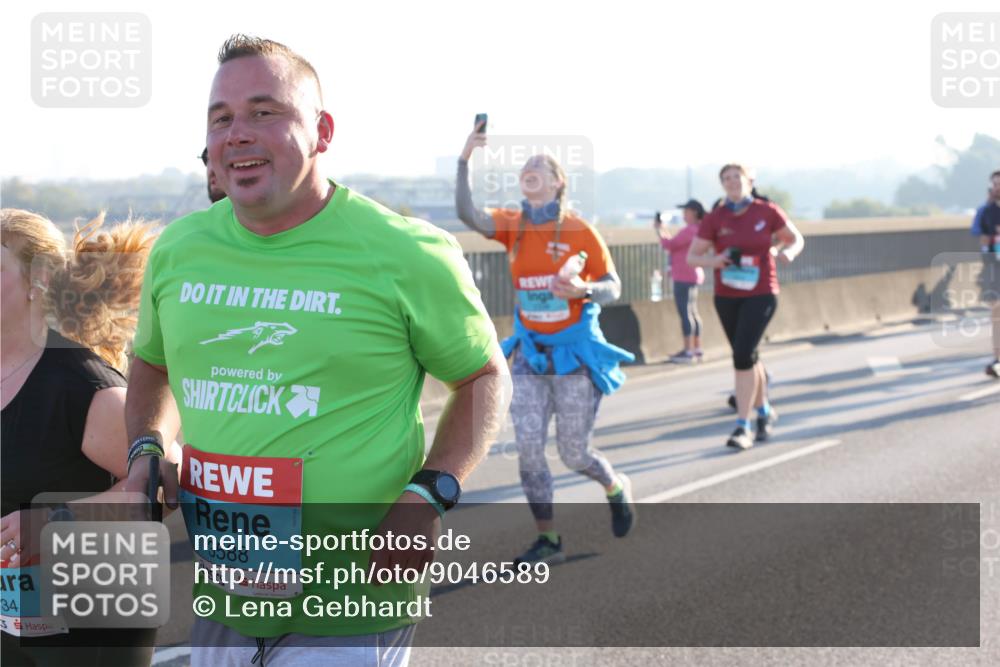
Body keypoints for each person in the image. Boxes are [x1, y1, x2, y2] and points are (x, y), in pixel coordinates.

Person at [125, 35, 508, 666]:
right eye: (221, 119)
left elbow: (482, 376)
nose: (237, 133)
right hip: (227, 590)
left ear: (322, 129)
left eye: (264, 112)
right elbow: (152, 364)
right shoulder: (178, 249)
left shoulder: (405, 251)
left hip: (355, 594)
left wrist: (428, 496)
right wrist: (147, 447)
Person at [456, 120, 636, 566]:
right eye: (525, 167)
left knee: (574, 453)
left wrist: (584, 291)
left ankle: (614, 485)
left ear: (557, 182)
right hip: (530, 355)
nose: (530, 170)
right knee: (531, 448)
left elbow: (613, 284)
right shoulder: (512, 225)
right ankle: (549, 538)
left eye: (540, 166)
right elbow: (468, 215)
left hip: (574, 356)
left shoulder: (578, 230)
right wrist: (464, 160)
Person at [1, 208, 164, 666]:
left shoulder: (84, 388)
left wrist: (58, 521)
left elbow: (159, 490)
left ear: (40, 280)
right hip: (12, 628)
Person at [688, 164, 804, 450]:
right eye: (726, 179)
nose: (731, 182)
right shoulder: (716, 217)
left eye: (736, 177)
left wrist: (787, 252)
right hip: (727, 294)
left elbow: (795, 238)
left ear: (749, 180)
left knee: (742, 355)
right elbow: (693, 256)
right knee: (748, 355)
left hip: (761, 291)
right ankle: (764, 411)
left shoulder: (767, 211)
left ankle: (743, 426)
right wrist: (715, 261)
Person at [654, 201, 705, 362]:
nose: (684, 214)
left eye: (686, 211)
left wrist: (658, 230)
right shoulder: (698, 230)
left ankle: (688, 351)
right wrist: (663, 230)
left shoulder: (690, 230)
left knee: (685, 313)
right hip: (693, 274)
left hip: (683, 275)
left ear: (694, 213)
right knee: (693, 312)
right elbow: (676, 244)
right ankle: (696, 349)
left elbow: (670, 245)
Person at [973, 170, 1000, 378]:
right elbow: (981, 237)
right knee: (996, 313)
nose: (997, 189)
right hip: (995, 267)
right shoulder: (987, 211)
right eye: (995, 185)